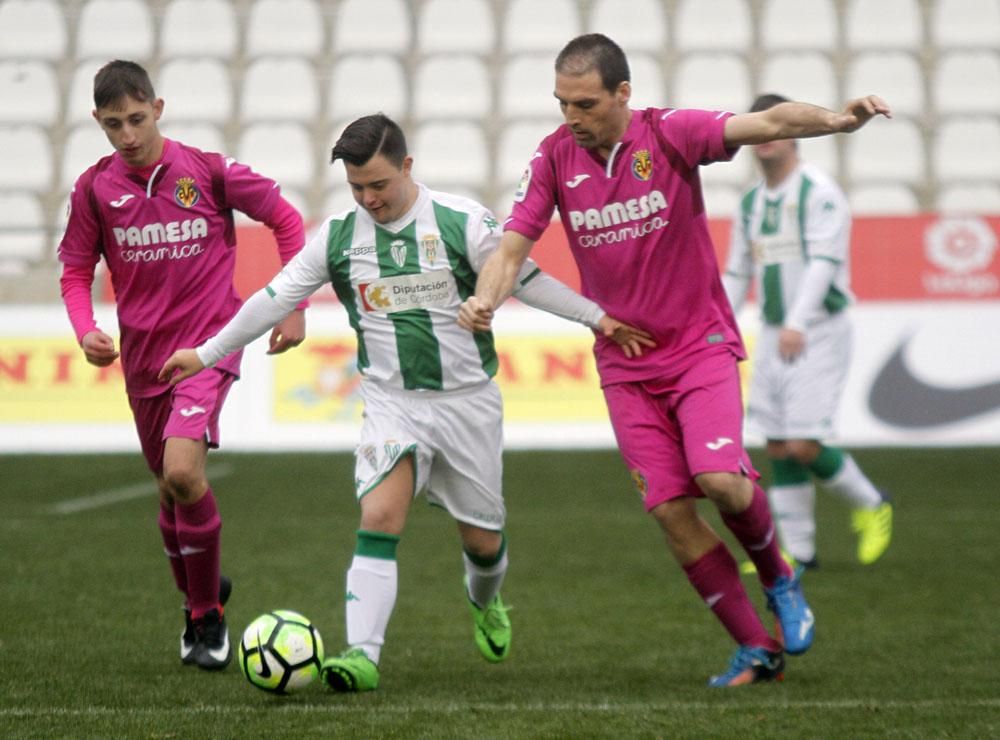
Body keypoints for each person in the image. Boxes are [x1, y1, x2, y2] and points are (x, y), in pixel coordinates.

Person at [158, 113, 653, 693]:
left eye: (379, 185)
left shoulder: (460, 221)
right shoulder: (340, 235)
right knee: (380, 517)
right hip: (392, 404)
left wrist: (597, 318)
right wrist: (207, 352)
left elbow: (525, 276)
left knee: (483, 543)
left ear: (407, 168)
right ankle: (361, 656)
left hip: (467, 404)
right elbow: (275, 296)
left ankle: (485, 599)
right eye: (356, 188)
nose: (369, 199)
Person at [459, 33, 892, 687]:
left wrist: (837, 120)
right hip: (625, 363)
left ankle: (779, 575)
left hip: (698, 347)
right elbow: (513, 247)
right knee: (669, 511)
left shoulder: (670, 135)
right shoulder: (552, 159)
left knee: (719, 479)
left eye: (584, 103)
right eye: (561, 103)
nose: (570, 117)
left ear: (622, 94)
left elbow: (769, 122)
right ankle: (755, 646)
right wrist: (484, 300)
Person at [57, 60, 308, 671]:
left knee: (183, 473)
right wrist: (87, 329)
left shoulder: (208, 172)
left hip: (207, 346)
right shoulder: (95, 189)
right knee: (169, 490)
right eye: (113, 124)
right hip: (142, 358)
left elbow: (287, 220)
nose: (127, 136)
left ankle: (204, 618)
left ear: (159, 108)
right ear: (98, 121)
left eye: (137, 119)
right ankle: (202, 591)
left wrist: (292, 306)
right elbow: (72, 268)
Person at [723, 93, 893, 570]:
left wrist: (797, 322)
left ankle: (872, 502)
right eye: (758, 130)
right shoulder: (752, 202)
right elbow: (738, 271)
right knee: (777, 443)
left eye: (774, 128)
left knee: (803, 442)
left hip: (817, 330)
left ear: (793, 132)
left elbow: (824, 262)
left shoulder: (818, 191)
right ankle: (797, 551)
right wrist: (718, 325)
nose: (765, 140)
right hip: (776, 331)